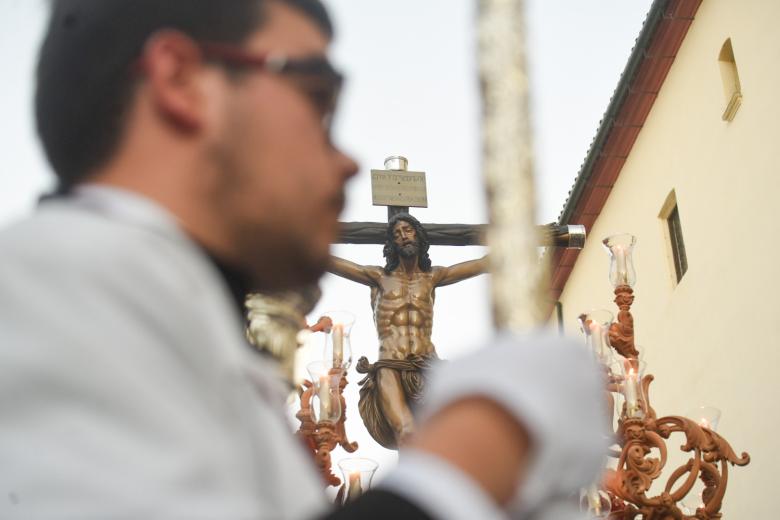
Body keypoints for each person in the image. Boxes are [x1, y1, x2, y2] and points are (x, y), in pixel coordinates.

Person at [0, 1, 608, 519]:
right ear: (181, 81)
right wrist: (478, 447)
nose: (347, 161)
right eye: (316, 95)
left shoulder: (185, 329)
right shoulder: (43, 295)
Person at [329, 213, 488, 448]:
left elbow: (484, 263)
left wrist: (517, 241)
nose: (403, 236)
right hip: (390, 364)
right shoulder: (379, 277)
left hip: (427, 365)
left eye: (408, 230)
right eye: (396, 234)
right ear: (392, 243)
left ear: (419, 235)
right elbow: (329, 262)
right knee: (406, 431)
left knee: (437, 437)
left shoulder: (433, 277)